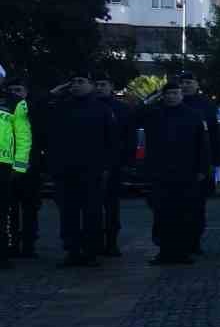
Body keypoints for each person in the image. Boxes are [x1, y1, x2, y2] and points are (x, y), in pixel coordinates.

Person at [47, 72, 120, 267]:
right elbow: (40, 120)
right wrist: (53, 93)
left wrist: (107, 166)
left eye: (81, 82)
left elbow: (112, 141)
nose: (76, 85)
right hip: (65, 170)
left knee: (92, 212)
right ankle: (72, 250)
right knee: (68, 213)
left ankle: (90, 251)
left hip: (92, 170)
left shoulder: (102, 109)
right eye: (73, 82)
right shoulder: (60, 107)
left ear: (91, 85)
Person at [142, 80, 210, 264]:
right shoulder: (154, 114)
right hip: (160, 172)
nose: (171, 97)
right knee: (161, 213)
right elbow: (135, 115)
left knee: (184, 214)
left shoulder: (194, 116)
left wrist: (202, 169)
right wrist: (152, 99)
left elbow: (202, 145)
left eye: (175, 93)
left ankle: (182, 251)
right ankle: (164, 251)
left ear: (181, 95)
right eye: (168, 94)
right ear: (162, 96)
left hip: (186, 172)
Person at [91, 73, 135, 256]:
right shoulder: (90, 106)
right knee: (92, 206)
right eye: (97, 84)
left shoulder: (122, 109)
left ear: (111, 87)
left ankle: (111, 242)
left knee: (111, 206)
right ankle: (95, 242)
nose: (100, 88)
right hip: (91, 163)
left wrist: (127, 161)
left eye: (103, 84)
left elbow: (129, 137)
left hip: (114, 164)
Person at [178, 71, 219, 250]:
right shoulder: (173, 102)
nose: (185, 85)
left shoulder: (207, 105)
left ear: (196, 84)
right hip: (176, 163)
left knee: (196, 207)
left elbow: (214, 135)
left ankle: (194, 241)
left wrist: (212, 162)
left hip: (199, 164)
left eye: (189, 82)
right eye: (183, 83)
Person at [5, 79, 41, 259]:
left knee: (30, 208)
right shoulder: (7, 109)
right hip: (8, 165)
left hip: (31, 167)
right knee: (11, 208)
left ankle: (28, 244)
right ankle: (12, 244)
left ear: (26, 92)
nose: (14, 93)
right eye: (11, 90)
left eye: (18, 89)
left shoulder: (33, 110)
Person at [0, 75, 33, 268]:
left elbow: (23, 135)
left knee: (2, 212)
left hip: (4, 164)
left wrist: (19, 165)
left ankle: (2, 254)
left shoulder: (15, 103)